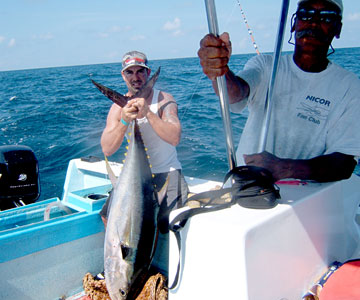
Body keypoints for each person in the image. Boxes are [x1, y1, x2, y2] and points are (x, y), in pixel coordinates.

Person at [197, 0, 360, 182]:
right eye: (305, 15)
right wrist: (220, 70)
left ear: (338, 29)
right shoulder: (266, 65)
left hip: (307, 198)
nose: (313, 23)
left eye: (326, 18)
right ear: (293, 24)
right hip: (246, 186)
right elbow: (235, 94)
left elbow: (345, 164)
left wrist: (284, 168)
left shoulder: (350, 87)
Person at [100, 50, 188, 233]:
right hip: (134, 176)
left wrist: (148, 113)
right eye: (130, 72)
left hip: (167, 172)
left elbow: (175, 137)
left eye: (140, 71)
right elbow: (107, 149)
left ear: (148, 73)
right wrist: (124, 120)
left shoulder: (164, 100)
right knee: (107, 215)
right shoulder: (118, 108)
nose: (136, 77)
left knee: (172, 223)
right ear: (123, 75)